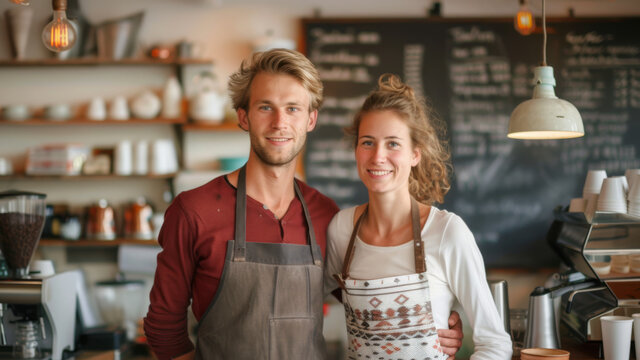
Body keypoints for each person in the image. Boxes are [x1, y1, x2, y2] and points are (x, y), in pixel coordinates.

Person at [144, 49, 463, 360]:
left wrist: (438, 323)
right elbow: (163, 327)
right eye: (265, 107)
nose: (280, 122)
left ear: (311, 119)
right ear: (244, 117)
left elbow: (370, 299)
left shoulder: (327, 216)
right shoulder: (193, 210)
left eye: (293, 108)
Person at [324, 74, 513, 359]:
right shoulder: (342, 229)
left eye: (393, 144)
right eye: (367, 142)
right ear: (356, 151)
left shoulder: (447, 232)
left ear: (415, 154)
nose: (377, 156)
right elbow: (307, 303)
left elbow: (495, 344)